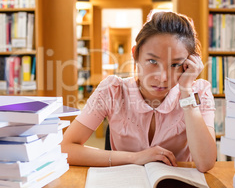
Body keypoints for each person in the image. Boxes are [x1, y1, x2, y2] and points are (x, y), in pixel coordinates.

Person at [61, 11, 216, 172]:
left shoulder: (199, 92)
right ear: (135, 55)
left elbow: (205, 163)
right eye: (152, 61)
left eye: (175, 64)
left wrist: (186, 91)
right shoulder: (112, 90)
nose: (162, 77)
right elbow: (66, 148)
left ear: (190, 64)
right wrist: (135, 158)